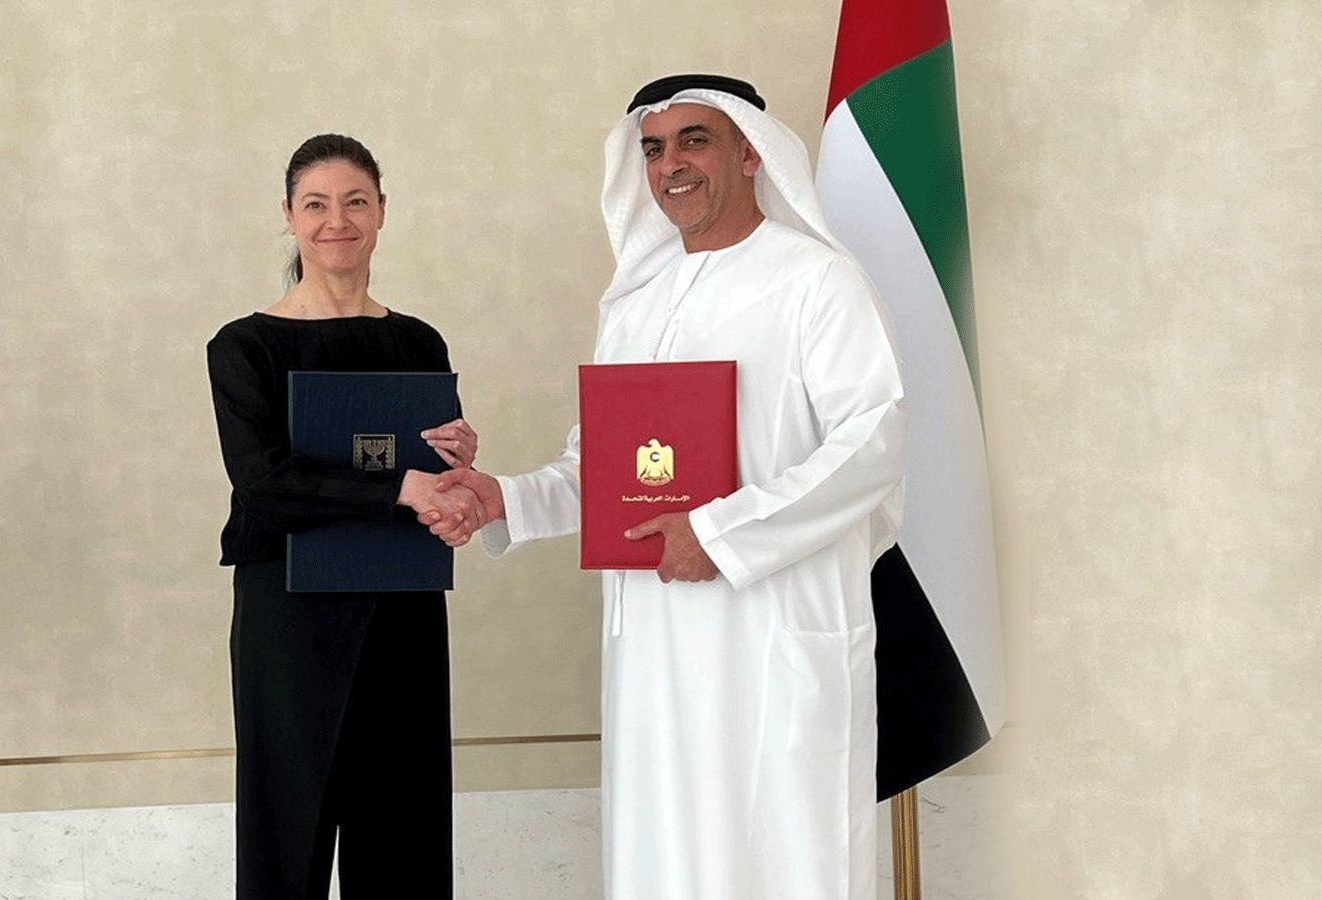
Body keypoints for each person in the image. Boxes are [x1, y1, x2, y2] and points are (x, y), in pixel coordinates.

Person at [437, 75, 907, 900]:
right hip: (654, 643)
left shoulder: (817, 280)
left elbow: (871, 443)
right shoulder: (637, 302)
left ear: (751, 152)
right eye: (653, 149)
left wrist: (719, 534)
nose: (670, 166)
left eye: (695, 140)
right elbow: (609, 465)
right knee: (667, 860)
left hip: (774, 634)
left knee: (785, 854)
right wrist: (506, 496)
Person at [205, 133, 480, 900]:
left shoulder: (418, 342)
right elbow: (264, 483)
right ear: (289, 216)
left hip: (403, 605)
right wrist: (399, 489)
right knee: (287, 825)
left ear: (382, 210)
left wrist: (455, 469)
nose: (338, 221)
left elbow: (432, 475)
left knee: (404, 822)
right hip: (289, 612)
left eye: (356, 201)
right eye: (317, 204)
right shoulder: (245, 347)